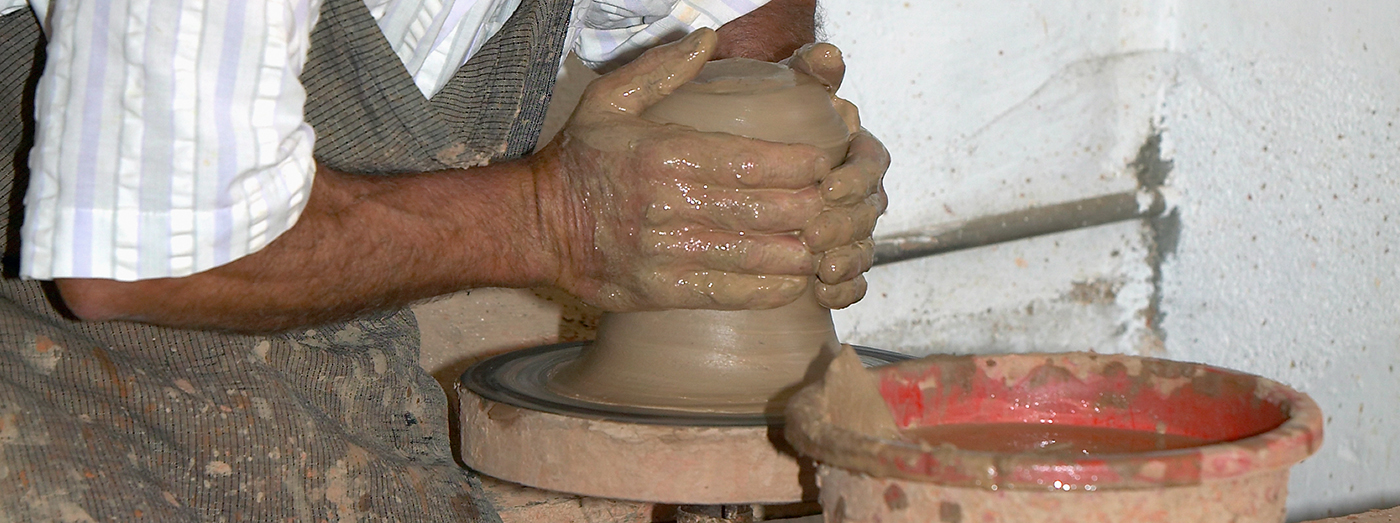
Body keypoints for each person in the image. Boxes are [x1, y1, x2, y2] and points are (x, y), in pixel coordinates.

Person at [0, 0, 887, 520]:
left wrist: (780, 168)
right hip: (76, 326)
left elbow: (742, 30)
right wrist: (557, 219)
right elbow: (136, 257)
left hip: (317, 303)